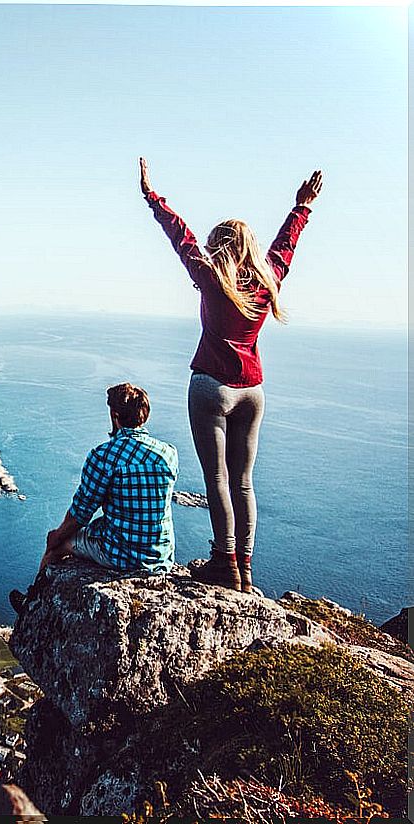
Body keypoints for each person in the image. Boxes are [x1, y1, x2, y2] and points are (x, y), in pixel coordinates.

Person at [139, 158, 322, 592]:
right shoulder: (268, 280)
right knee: (243, 482)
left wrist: (152, 196)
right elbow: (285, 246)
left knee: (217, 479)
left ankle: (224, 562)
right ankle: (246, 568)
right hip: (253, 390)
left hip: (211, 387)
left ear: (219, 246)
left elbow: (179, 235)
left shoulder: (210, 277)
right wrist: (302, 206)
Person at [9, 383, 178, 613]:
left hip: (122, 555)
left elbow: (81, 512)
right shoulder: (168, 454)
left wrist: (57, 537)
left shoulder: (104, 456)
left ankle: (31, 604)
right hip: (160, 556)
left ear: (114, 415)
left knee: (57, 547)